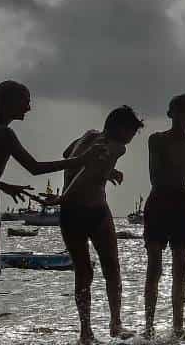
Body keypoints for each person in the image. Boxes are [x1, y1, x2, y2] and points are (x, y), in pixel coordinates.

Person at [0, 80, 106, 345]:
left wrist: (3, 184)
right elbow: (34, 167)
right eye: (25, 101)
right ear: (8, 102)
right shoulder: (4, 133)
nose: (29, 107)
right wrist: (82, 160)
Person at [57, 106, 145, 344]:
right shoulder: (117, 146)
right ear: (120, 128)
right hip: (92, 211)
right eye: (131, 132)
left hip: (69, 214)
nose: (131, 138)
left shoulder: (89, 135)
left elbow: (68, 155)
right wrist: (64, 195)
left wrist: (107, 171)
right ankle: (115, 325)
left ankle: (86, 333)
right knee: (110, 269)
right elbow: (86, 172)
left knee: (83, 271)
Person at [143, 94, 185, 339]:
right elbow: (156, 178)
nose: (183, 117)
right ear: (170, 114)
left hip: (183, 209)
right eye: (178, 111)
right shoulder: (157, 140)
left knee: (181, 268)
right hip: (159, 204)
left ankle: (178, 327)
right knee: (155, 267)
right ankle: (148, 327)